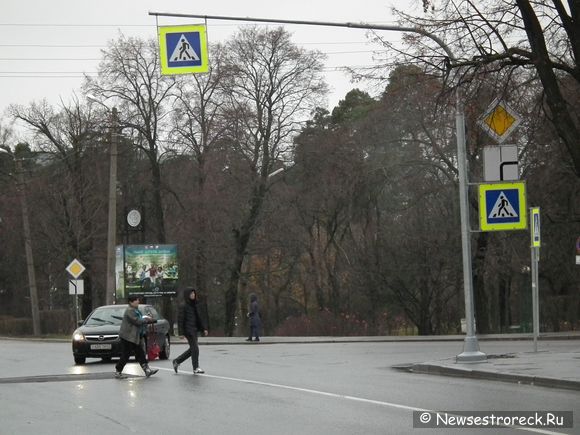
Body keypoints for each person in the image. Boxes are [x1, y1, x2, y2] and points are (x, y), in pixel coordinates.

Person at [115, 295, 159, 379]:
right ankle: (118, 371)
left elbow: (139, 319)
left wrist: (146, 319)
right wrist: (147, 320)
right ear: (131, 302)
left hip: (134, 337)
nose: (138, 301)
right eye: (136, 300)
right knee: (126, 355)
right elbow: (137, 321)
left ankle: (147, 370)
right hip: (128, 337)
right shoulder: (130, 311)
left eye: (138, 300)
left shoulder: (135, 310)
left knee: (140, 353)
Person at [172, 287, 208, 374]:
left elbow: (199, 318)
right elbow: (180, 320)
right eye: (191, 294)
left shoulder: (195, 304)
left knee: (192, 349)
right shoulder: (183, 305)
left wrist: (204, 328)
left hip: (194, 329)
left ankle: (177, 361)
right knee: (195, 349)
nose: (193, 295)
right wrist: (180, 333)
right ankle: (196, 367)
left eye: (194, 294)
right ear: (187, 295)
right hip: (188, 330)